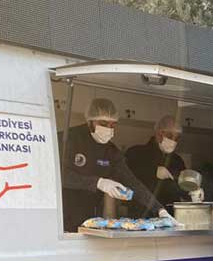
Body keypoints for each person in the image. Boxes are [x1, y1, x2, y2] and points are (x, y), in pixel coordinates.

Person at [61, 98, 174, 231]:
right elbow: (58, 175)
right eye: (103, 123)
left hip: (88, 217)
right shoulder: (69, 139)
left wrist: (159, 209)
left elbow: (133, 182)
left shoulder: (111, 152)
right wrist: (98, 183)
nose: (108, 129)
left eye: (112, 125)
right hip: (60, 213)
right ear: (90, 121)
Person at [125, 116, 191, 214]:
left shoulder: (177, 160)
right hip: (142, 214)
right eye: (170, 136)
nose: (173, 141)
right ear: (158, 134)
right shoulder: (136, 153)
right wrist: (153, 171)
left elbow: (182, 187)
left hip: (169, 214)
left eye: (177, 138)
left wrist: (192, 191)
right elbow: (126, 177)